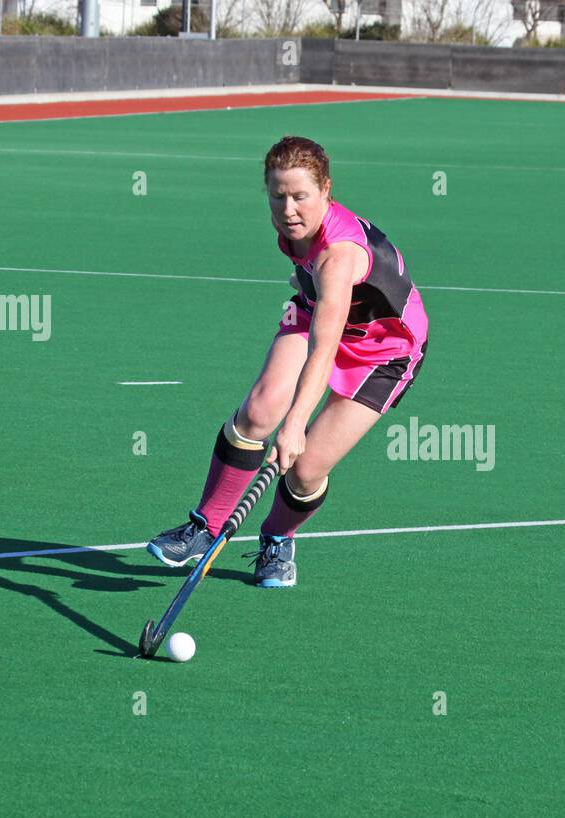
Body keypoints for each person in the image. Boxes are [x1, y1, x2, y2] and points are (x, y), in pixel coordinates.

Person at [147, 135, 430, 588]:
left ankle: (278, 538)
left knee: (305, 469)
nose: (289, 209)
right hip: (315, 309)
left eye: (301, 196)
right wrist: (283, 416)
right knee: (259, 411)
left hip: (385, 349)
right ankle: (206, 527)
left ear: (326, 191)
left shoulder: (338, 257)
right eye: (278, 196)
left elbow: (324, 349)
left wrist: (296, 423)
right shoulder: (292, 231)